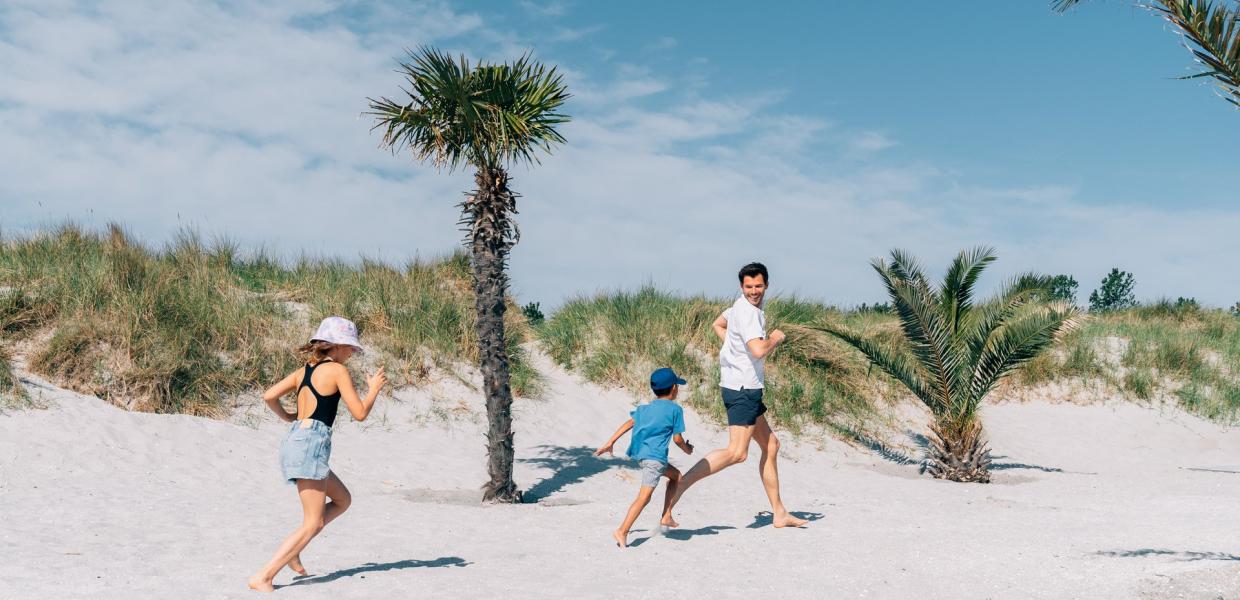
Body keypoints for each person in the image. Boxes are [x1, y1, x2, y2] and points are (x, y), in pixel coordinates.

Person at [248, 316, 387, 592]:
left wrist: (291, 417)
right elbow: (359, 414)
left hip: (296, 440)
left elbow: (268, 396)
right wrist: (373, 391)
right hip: (311, 445)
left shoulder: (304, 370)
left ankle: (294, 550)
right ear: (335, 346)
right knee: (313, 522)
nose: (352, 353)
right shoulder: (337, 371)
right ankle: (263, 576)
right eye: (349, 347)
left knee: (342, 499)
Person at [667, 263, 807, 528]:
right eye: (748, 287)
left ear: (766, 285)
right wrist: (775, 338)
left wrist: (732, 348)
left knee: (771, 445)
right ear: (742, 287)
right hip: (743, 388)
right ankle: (680, 485)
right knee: (737, 452)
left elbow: (717, 324)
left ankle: (779, 513)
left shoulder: (739, 307)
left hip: (744, 386)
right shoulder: (750, 313)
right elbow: (757, 350)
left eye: (758, 286)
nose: (754, 291)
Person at [594, 367, 695, 548]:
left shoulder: (643, 409)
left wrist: (611, 441)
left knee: (676, 477)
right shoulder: (675, 410)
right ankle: (622, 530)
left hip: (644, 457)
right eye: (677, 386)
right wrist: (687, 449)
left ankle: (666, 516)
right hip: (654, 459)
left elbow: (629, 423)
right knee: (644, 497)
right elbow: (678, 439)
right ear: (674, 388)